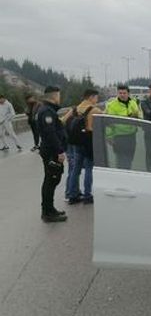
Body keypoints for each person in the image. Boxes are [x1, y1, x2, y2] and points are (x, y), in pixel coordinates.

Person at [62, 89, 101, 204]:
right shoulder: (95, 110)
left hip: (76, 142)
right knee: (89, 168)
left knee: (76, 169)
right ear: (91, 97)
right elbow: (100, 126)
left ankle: (73, 195)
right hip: (89, 142)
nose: (96, 100)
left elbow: (63, 121)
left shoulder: (74, 109)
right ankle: (87, 195)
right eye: (96, 97)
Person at [36, 86, 67, 222]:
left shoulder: (46, 110)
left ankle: (50, 208)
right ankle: (47, 212)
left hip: (50, 150)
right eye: (59, 96)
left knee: (52, 180)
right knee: (51, 180)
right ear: (54, 96)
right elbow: (50, 134)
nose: (59, 98)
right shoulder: (47, 112)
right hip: (51, 151)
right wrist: (59, 151)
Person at [105, 85, 142, 169]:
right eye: (120, 93)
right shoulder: (112, 105)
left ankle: (127, 174)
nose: (122, 95)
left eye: (124, 93)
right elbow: (109, 122)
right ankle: (121, 177)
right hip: (119, 136)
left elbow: (139, 115)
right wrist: (109, 136)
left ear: (128, 94)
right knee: (122, 160)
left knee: (129, 159)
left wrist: (136, 116)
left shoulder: (133, 103)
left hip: (131, 135)